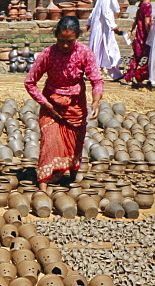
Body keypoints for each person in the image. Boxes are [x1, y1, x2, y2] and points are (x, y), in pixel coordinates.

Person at [24, 16, 104, 192]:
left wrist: (96, 101)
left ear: (77, 37)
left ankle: (71, 178)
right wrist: (45, 103)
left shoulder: (84, 52)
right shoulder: (47, 54)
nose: (65, 45)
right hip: (51, 104)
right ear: (55, 36)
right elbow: (30, 82)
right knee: (48, 142)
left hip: (75, 105)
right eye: (61, 41)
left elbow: (96, 80)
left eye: (70, 41)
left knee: (75, 143)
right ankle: (43, 186)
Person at [88, 0, 124, 82]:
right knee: (103, 48)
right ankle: (93, 72)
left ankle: (115, 73)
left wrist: (90, 21)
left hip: (104, 26)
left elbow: (96, 9)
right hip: (101, 27)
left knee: (107, 48)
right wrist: (113, 26)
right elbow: (105, 11)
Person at [124, 0, 155, 88]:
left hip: (139, 34)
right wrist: (151, 35)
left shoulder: (142, 4)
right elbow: (147, 22)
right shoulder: (147, 6)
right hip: (144, 36)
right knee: (150, 57)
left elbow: (136, 19)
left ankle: (130, 76)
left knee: (136, 58)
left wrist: (131, 30)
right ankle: (140, 76)